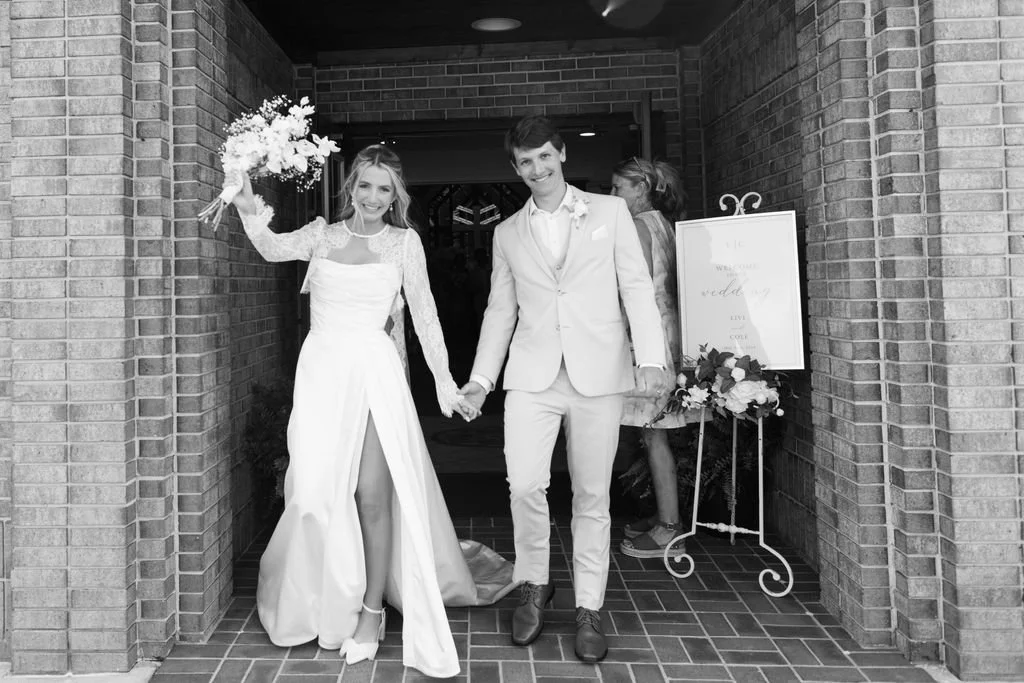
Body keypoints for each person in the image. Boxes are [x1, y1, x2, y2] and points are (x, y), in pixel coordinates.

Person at [229, 145, 517, 678]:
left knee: (371, 495)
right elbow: (270, 248)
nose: (374, 198)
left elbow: (426, 318)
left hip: (375, 373)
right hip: (322, 375)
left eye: (385, 189)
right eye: (366, 186)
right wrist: (248, 203)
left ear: (396, 196)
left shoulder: (404, 244)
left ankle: (370, 612)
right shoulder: (322, 235)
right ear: (350, 188)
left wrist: (446, 387)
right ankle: (320, 597)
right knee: (313, 491)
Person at [458, 115, 670, 663]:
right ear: (516, 168)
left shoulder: (610, 211)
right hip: (531, 377)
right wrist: (482, 380)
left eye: (545, 157)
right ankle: (533, 584)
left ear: (562, 155)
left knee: (592, 496)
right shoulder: (506, 232)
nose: (537, 169)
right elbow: (499, 312)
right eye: (526, 162)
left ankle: (590, 607)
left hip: (598, 374)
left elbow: (636, 287)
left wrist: (650, 358)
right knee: (524, 485)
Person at [610, 157, 696, 559]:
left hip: (647, 334)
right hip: (667, 326)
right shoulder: (663, 224)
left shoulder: (639, 227)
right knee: (652, 428)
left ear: (641, 187)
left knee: (652, 429)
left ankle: (669, 528)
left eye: (618, 188)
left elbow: (635, 286)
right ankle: (665, 515)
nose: (614, 196)